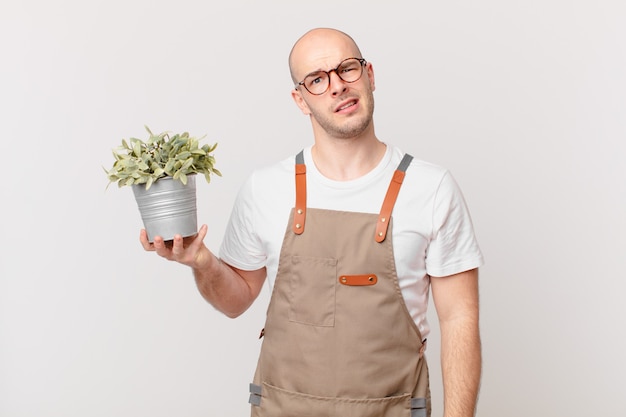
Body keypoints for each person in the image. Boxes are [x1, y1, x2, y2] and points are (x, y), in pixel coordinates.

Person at [141, 27, 483, 417]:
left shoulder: (432, 188)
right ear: (300, 100)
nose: (337, 86)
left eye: (347, 69)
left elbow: (459, 319)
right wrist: (202, 263)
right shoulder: (265, 188)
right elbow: (235, 302)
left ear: (369, 76)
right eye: (317, 80)